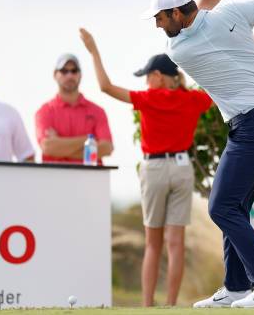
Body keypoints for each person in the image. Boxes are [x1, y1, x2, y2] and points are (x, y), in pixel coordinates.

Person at [141, 0, 254, 308]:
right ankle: (238, 287)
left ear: (177, 13)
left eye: (160, 18)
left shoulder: (179, 47)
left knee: (221, 207)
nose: (158, 25)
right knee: (233, 205)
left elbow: (206, 5)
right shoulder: (226, 17)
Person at [79, 28, 212, 307]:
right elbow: (214, 85)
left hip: (155, 170)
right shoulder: (192, 100)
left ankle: (148, 306)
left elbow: (105, 87)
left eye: (148, 76)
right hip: (182, 168)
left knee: (153, 243)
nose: (146, 81)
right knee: (175, 244)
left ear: (158, 77)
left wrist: (93, 51)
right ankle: (171, 305)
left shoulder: (149, 98)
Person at [35, 53, 113, 164]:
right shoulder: (44, 112)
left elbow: (107, 148)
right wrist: (88, 140)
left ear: (80, 74)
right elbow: (48, 147)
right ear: (55, 74)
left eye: (74, 71)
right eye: (64, 71)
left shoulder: (97, 111)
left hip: (90, 179)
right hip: (55, 178)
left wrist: (60, 145)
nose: (70, 75)